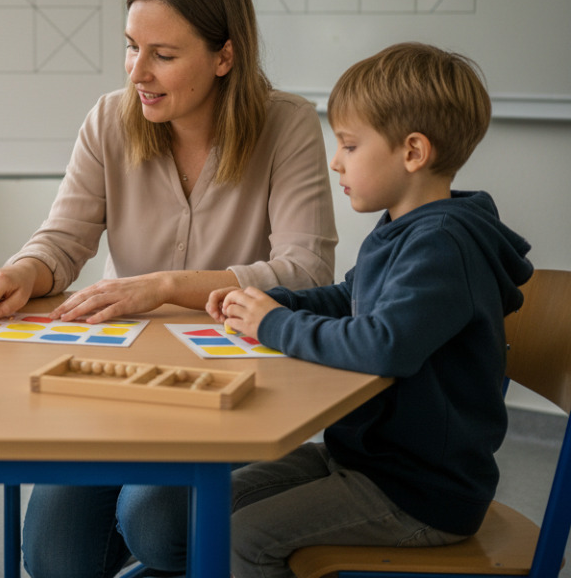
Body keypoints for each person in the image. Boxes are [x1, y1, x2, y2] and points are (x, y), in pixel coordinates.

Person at [0, 0, 339, 578]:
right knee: (53, 556)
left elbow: (308, 272)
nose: (138, 71)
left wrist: (165, 287)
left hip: (237, 387)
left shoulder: (287, 123)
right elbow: (63, 240)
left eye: (163, 55)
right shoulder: (109, 118)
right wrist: (24, 271)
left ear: (224, 56)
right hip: (120, 379)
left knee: (157, 524)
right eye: (131, 47)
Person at [211, 42, 533, 578]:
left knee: (245, 537)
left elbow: (384, 345)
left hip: (420, 491)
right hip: (365, 459)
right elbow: (350, 297)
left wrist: (273, 324)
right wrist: (274, 303)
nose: (335, 160)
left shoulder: (442, 244)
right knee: (216, 503)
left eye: (350, 144)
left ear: (413, 152)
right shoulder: (404, 228)